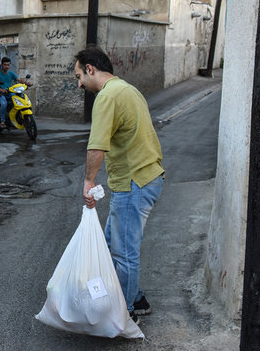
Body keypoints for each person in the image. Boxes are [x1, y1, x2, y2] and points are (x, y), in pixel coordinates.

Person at [75, 45, 164, 324]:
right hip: (144, 178)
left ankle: (124, 316)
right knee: (114, 243)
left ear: (91, 69)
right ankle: (135, 298)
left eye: (79, 76)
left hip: (134, 183)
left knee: (124, 253)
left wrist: (89, 181)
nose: (80, 84)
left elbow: (97, 145)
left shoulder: (106, 97)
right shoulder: (127, 89)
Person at [0, 56, 31, 127]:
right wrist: (1, 90)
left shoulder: (11, 73)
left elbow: (19, 80)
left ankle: (16, 117)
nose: (7, 66)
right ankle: (3, 121)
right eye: (5, 65)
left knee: (18, 101)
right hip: (1, 94)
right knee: (4, 104)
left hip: (10, 93)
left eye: (8, 65)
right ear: (2, 65)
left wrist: (26, 83)